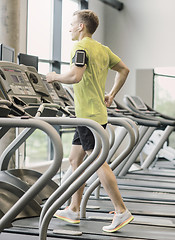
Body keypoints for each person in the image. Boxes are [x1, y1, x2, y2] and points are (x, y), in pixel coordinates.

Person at [46, 9, 134, 233]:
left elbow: (75, 76)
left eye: (71, 24)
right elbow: (124, 69)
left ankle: (121, 210)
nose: (69, 28)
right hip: (89, 115)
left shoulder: (80, 47)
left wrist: (54, 76)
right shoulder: (103, 50)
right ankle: (74, 209)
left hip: (88, 116)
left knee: (98, 163)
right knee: (75, 159)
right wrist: (111, 94)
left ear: (81, 27)